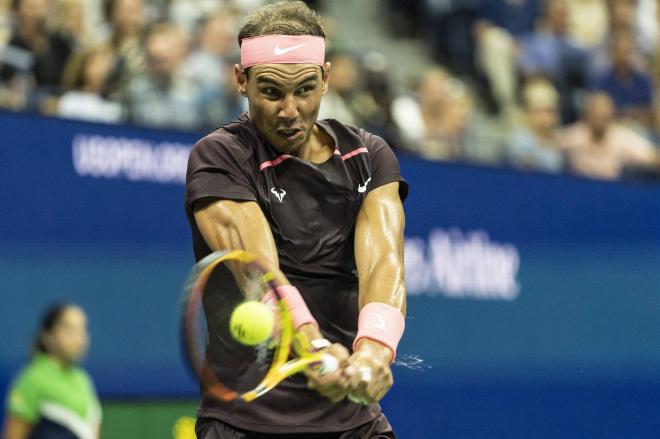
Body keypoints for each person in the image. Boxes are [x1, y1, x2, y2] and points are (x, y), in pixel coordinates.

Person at [184, 1, 407, 437]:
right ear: (241, 81)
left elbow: (384, 262)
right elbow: (256, 269)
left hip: (353, 424)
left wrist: (374, 352)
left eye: (304, 89)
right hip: (245, 424)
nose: (290, 110)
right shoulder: (220, 155)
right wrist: (314, 347)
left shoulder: (368, 156)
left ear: (325, 78)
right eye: (271, 92)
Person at [2, 303, 101, 439]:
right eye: (69, 330)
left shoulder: (83, 380)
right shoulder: (32, 380)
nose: (79, 338)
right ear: (48, 336)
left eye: (82, 329)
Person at [560, 92, 660, 180]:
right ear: (587, 115)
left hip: (609, 191)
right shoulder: (574, 135)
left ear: (611, 116)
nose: (600, 118)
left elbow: (650, 156)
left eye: (604, 116)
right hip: (577, 189)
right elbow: (551, 144)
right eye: (596, 114)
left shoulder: (621, 137)